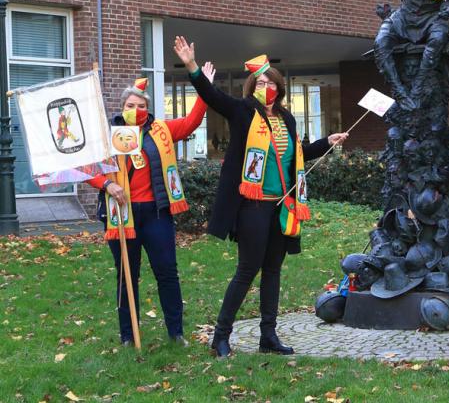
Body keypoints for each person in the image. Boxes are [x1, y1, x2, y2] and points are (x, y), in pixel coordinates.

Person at [173, 37, 349, 358]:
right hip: (252, 207)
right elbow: (211, 95)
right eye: (260, 82)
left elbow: (296, 155)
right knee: (246, 271)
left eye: (270, 82)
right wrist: (191, 66)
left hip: (281, 208)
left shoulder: (288, 120)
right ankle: (221, 336)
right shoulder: (243, 112)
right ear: (253, 85)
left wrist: (327, 141)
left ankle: (268, 336)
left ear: (279, 88)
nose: (265, 86)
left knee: (273, 272)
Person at [89, 67, 215, 346]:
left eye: (141, 105)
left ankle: (176, 332)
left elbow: (192, 121)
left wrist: (203, 84)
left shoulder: (162, 131)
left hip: (156, 213)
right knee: (126, 276)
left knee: (167, 271)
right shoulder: (108, 134)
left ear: (149, 108)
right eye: (130, 105)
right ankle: (127, 334)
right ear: (122, 108)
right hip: (122, 215)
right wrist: (107, 185)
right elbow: (87, 169)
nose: (136, 109)